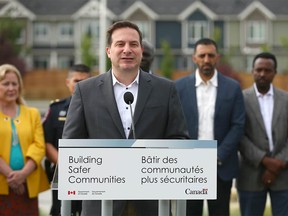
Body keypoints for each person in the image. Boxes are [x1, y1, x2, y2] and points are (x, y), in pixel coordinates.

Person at [62, 20, 189, 216]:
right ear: (108, 51)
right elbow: (72, 144)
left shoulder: (166, 90)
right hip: (102, 201)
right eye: (120, 44)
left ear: (141, 50)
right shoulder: (85, 91)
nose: (127, 50)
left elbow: (178, 139)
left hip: (150, 201)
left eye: (133, 44)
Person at [175, 38, 245, 216]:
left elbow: (238, 125)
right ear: (194, 58)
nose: (206, 59)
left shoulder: (233, 88)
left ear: (217, 57)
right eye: (202, 55)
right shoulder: (179, 87)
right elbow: (175, 125)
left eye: (210, 55)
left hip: (221, 167)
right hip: (189, 168)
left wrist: (219, 155)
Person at [236, 52, 288, 216]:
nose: (262, 74)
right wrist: (264, 160)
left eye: (267, 70)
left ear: (274, 72)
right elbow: (238, 135)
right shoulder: (240, 99)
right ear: (252, 71)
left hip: (284, 175)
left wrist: (278, 163)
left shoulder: (286, 99)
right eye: (258, 70)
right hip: (250, 175)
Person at [0, 64, 49, 215]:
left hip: (27, 185)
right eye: (5, 83)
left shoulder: (32, 114)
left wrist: (22, 175)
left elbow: (39, 146)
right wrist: (12, 177)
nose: (11, 88)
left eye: (14, 84)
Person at [43, 64, 92, 216]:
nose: (80, 85)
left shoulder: (100, 109)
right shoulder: (56, 108)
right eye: (76, 81)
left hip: (92, 175)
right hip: (63, 174)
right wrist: (66, 165)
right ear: (68, 82)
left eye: (85, 81)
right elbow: (47, 142)